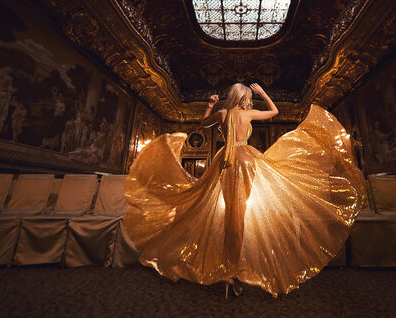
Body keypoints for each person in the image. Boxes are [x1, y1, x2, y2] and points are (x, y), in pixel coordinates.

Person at [123, 83, 366, 298]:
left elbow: (202, 122)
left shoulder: (222, 113)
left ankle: (229, 270)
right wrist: (263, 93)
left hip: (224, 162)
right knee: (239, 215)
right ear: (245, 98)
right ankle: (232, 270)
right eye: (249, 96)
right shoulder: (248, 112)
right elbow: (275, 112)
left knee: (230, 213)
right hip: (246, 160)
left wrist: (209, 105)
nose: (250, 99)